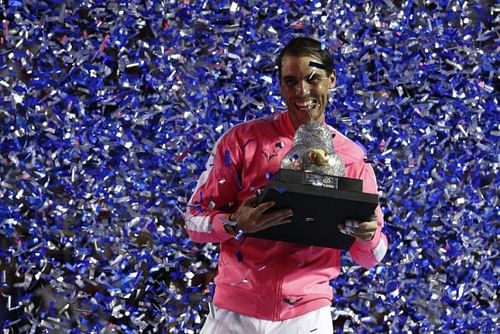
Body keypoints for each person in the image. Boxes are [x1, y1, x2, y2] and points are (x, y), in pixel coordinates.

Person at [185, 37, 388, 334]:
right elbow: (193, 219)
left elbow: (374, 254)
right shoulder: (242, 142)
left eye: (312, 78)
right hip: (233, 314)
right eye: (290, 81)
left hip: (306, 318)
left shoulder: (353, 160)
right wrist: (233, 222)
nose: (301, 91)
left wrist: (367, 236)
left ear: (331, 80)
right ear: (280, 86)